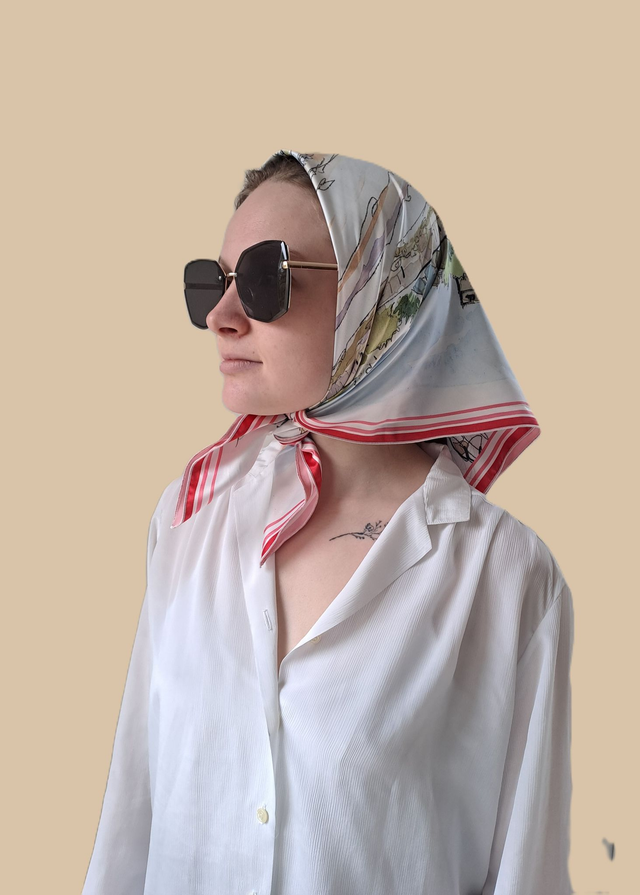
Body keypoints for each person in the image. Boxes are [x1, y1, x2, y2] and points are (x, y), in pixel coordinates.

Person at [82, 150, 575, 895]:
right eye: (213, 281)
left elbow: (526, 871)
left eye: (265, 279)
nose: (220, 317)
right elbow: (132, 820)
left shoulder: (505, 577)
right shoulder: (190, 517)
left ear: (379, 293)